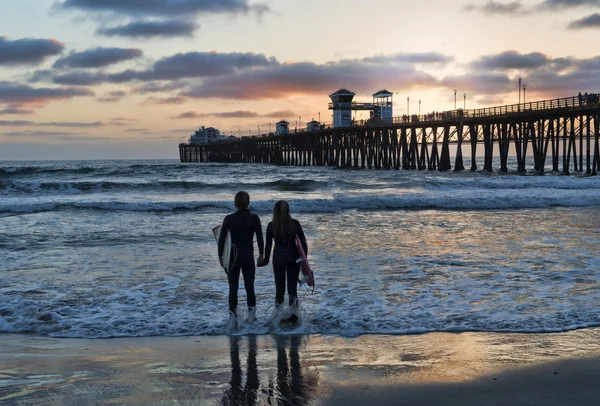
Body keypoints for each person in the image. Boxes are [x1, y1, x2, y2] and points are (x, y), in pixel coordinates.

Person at [218, 191, 264, 326]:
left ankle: (233, 319)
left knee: (233, 288)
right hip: (248, 256)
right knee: (250, 287)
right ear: (248, 202)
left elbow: (221, 240)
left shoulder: (229, 218)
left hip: (233, 257)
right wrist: (261, 254)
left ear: (235, 203)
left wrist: (220, 256)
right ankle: (252, 318)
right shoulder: (254, 218)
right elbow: (260, 238)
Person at [261, 200, 308, 323]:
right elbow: (303, 243)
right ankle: (295, 317)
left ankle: (277, 318)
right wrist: (304, 262)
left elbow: (268, 246)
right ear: (288, 210)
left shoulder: (271, 225)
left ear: (274, 211)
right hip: (293, 258)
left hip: (278, 259)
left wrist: (265, 260)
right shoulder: (295, 224)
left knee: (279, 290)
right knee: (292, 290)